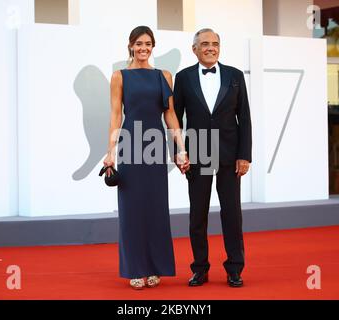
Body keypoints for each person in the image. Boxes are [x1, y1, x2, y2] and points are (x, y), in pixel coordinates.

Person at [102, 26, 189, 289]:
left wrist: (181, 148)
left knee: (155, 207)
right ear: (130, 45)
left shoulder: (164, 76)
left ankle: (155, 266)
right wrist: (110, 151)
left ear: (153, 46)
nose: (143, 48)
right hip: (130, 144)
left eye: (148, 44)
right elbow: (116, 115)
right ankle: (135, 269)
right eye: (138, 44)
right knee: (132, 209)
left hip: (154, 144)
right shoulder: (119, 76)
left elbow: (170, 114)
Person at [173, 28, 252, 287]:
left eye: (215, 43)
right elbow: (175, 120)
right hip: (197, 153)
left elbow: (245, 119)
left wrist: (244, 155)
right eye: (204, 44)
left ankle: (234, 269)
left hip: (230, 154)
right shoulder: (183, 78)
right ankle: (200, 268)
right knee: (198, 215)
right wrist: (178, 151)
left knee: (232, 214)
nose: (210, 48)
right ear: (194, 48)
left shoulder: (235, 76)